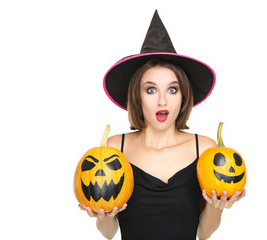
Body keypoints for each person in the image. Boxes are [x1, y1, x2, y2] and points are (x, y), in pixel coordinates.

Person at [79, 11, 246, 240]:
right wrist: (103, 217)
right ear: (136, 96)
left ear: (183, 95)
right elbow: (109, 233)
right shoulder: (114, 149)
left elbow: (203, 233)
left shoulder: (204, 149)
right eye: (150, 89)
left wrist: (216, 206)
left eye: (172, 89)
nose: (162, 101)